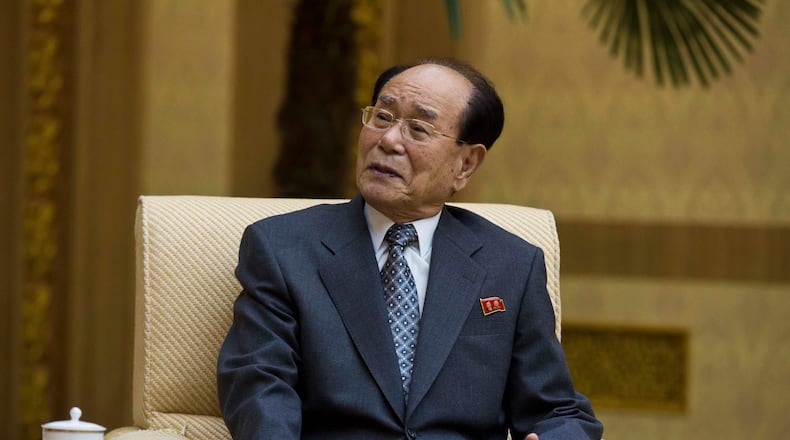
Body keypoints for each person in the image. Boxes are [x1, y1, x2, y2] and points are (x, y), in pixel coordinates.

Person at [217, 57, 604, 439]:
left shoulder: (511, 265)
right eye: (382, 118)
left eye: (418, 128)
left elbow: (557, 411)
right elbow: (259, 386)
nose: (387, 140)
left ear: (466, 164)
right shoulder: (283, 248)